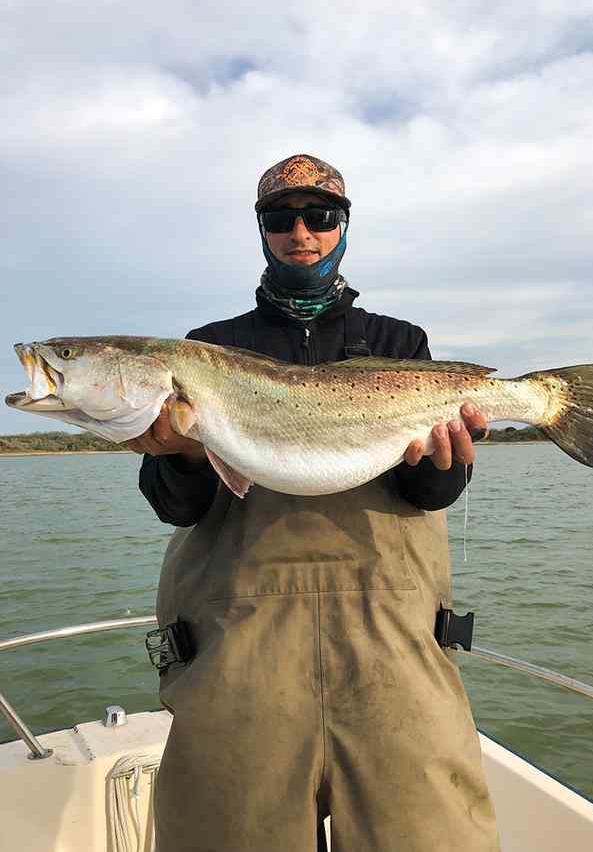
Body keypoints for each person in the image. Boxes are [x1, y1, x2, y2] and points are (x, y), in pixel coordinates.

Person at [129, 154, 500, 852]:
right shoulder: (207, 350)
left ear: (343, 226)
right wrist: (175, 452)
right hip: (240, 658)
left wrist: (447, 464)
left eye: (320, 216)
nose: (302, 232)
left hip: (393, 651)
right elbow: (176, 509)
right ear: (263, 230)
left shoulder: (400, 343)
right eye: (281, 217)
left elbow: (428, 494)